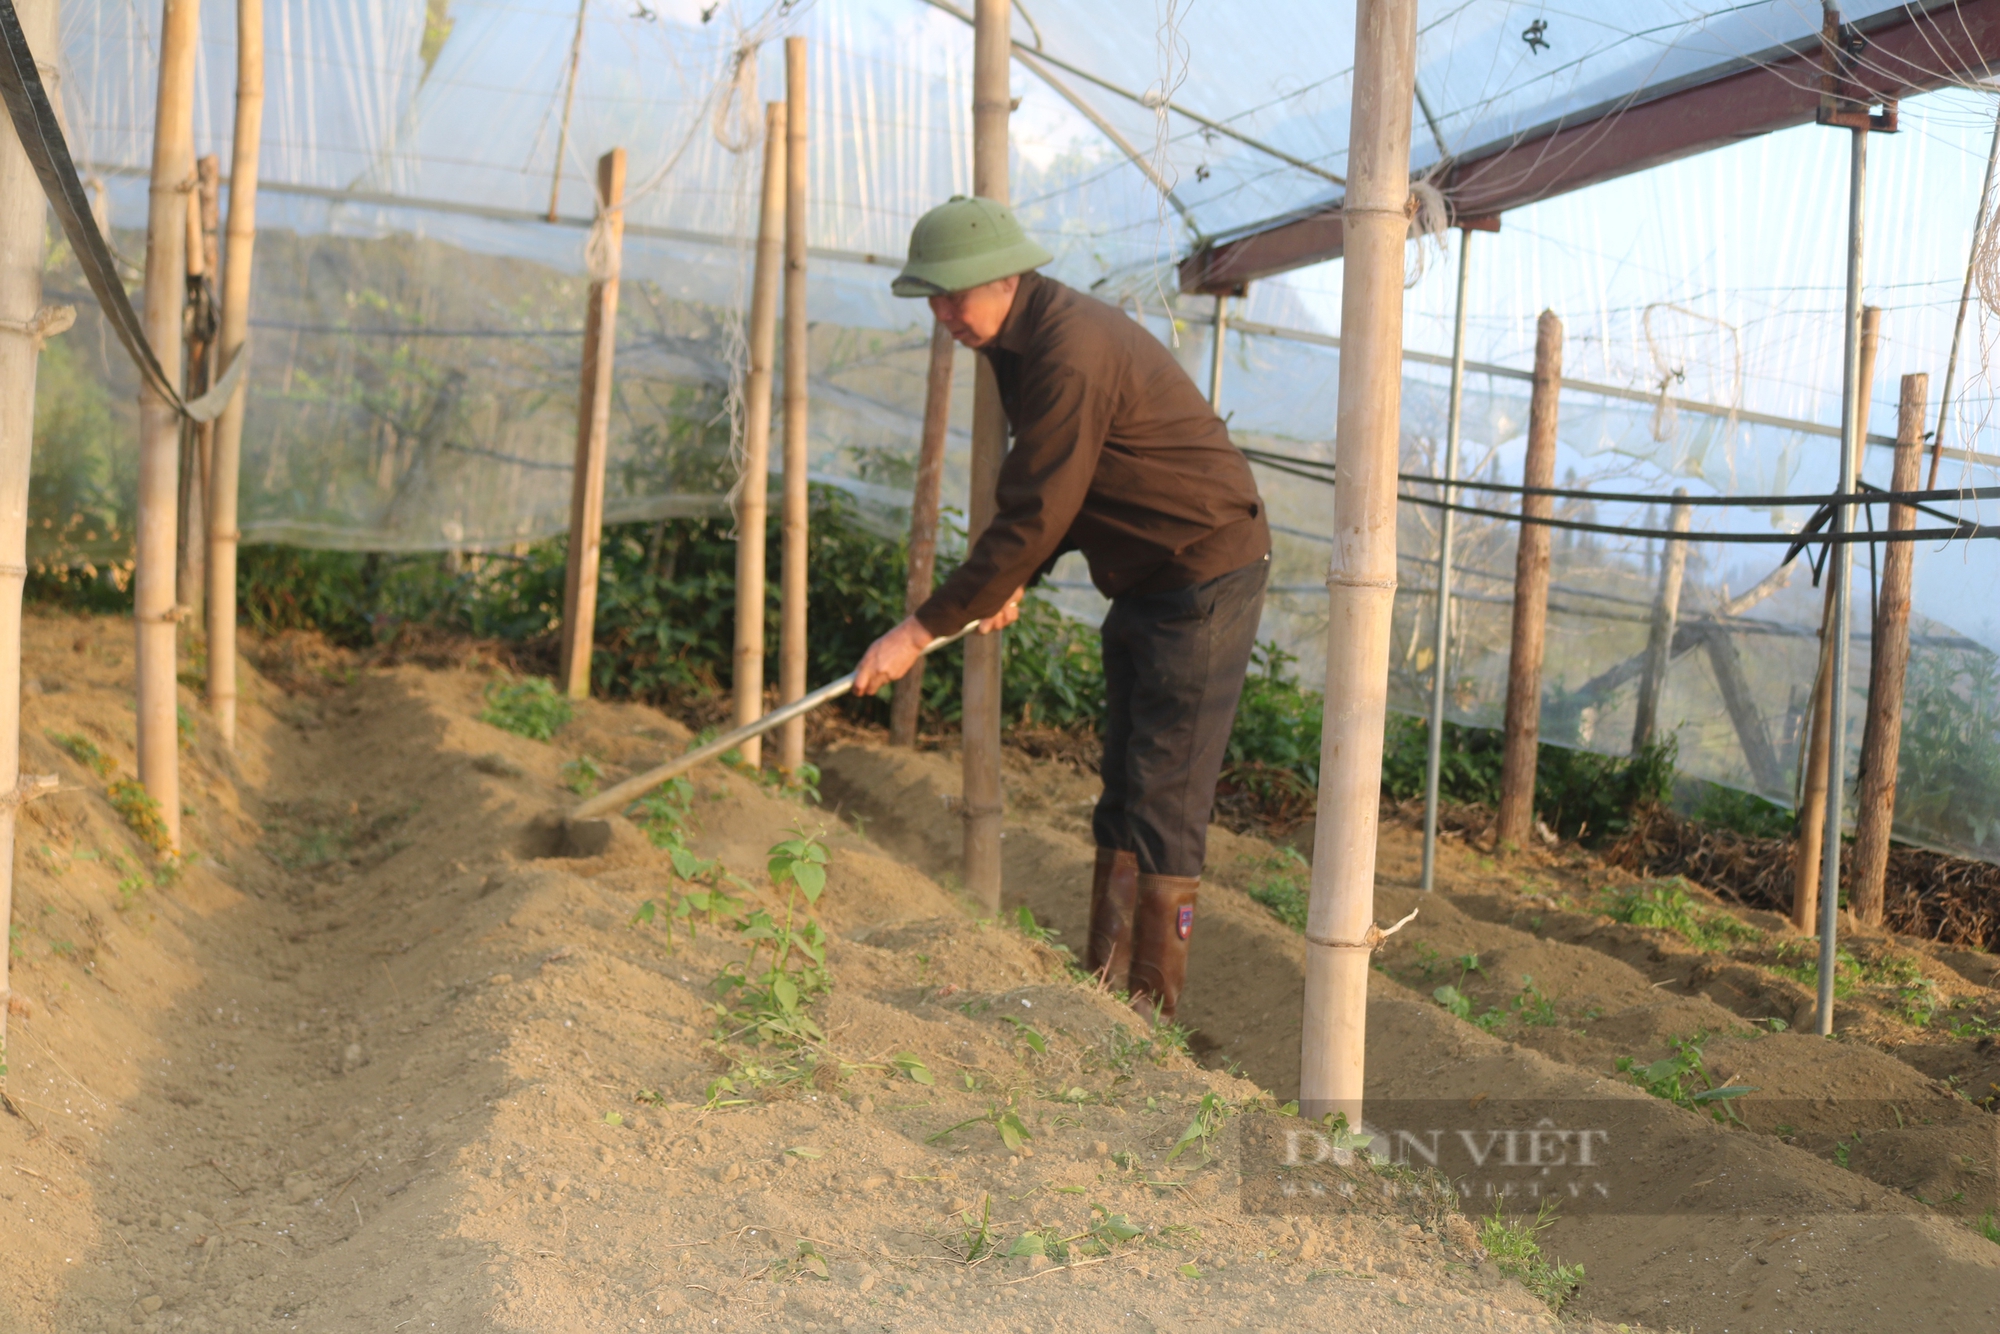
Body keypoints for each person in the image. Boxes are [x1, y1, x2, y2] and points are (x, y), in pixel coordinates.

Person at [853, 195, 1269, 1024]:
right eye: (929, 298)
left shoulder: (1068, 351)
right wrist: (1007, 584)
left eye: (951, 295)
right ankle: (1105, 993)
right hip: (1147, 577)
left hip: (1203, 571)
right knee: (1123, 788)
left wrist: (920, 627)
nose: (942, 315)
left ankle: (1145, 1017)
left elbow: (1039, 510)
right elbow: (1068, 493)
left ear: (1004, 278)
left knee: (1165, 796)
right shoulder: (1018, 339)